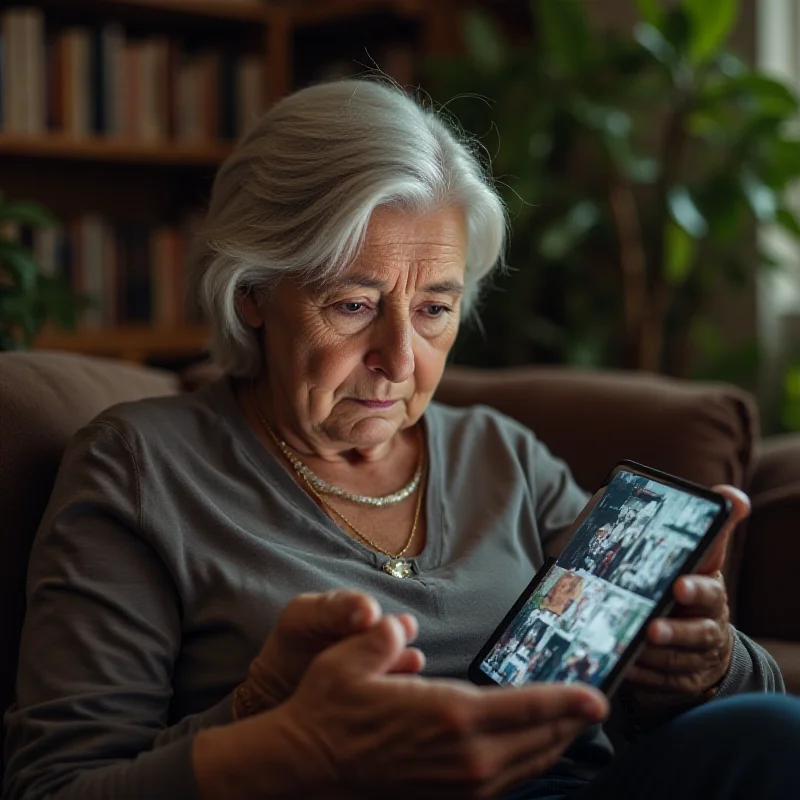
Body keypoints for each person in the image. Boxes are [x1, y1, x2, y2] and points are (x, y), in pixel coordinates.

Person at [3, 79, 798, 800]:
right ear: (252, 294)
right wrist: (272, 724)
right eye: (353, 304)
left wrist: (704, 664)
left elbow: (720, 699)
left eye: (434, 310)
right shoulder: (140, 465)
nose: (398, 361)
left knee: (767, 733)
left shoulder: (502, 454)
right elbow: (59, 786)